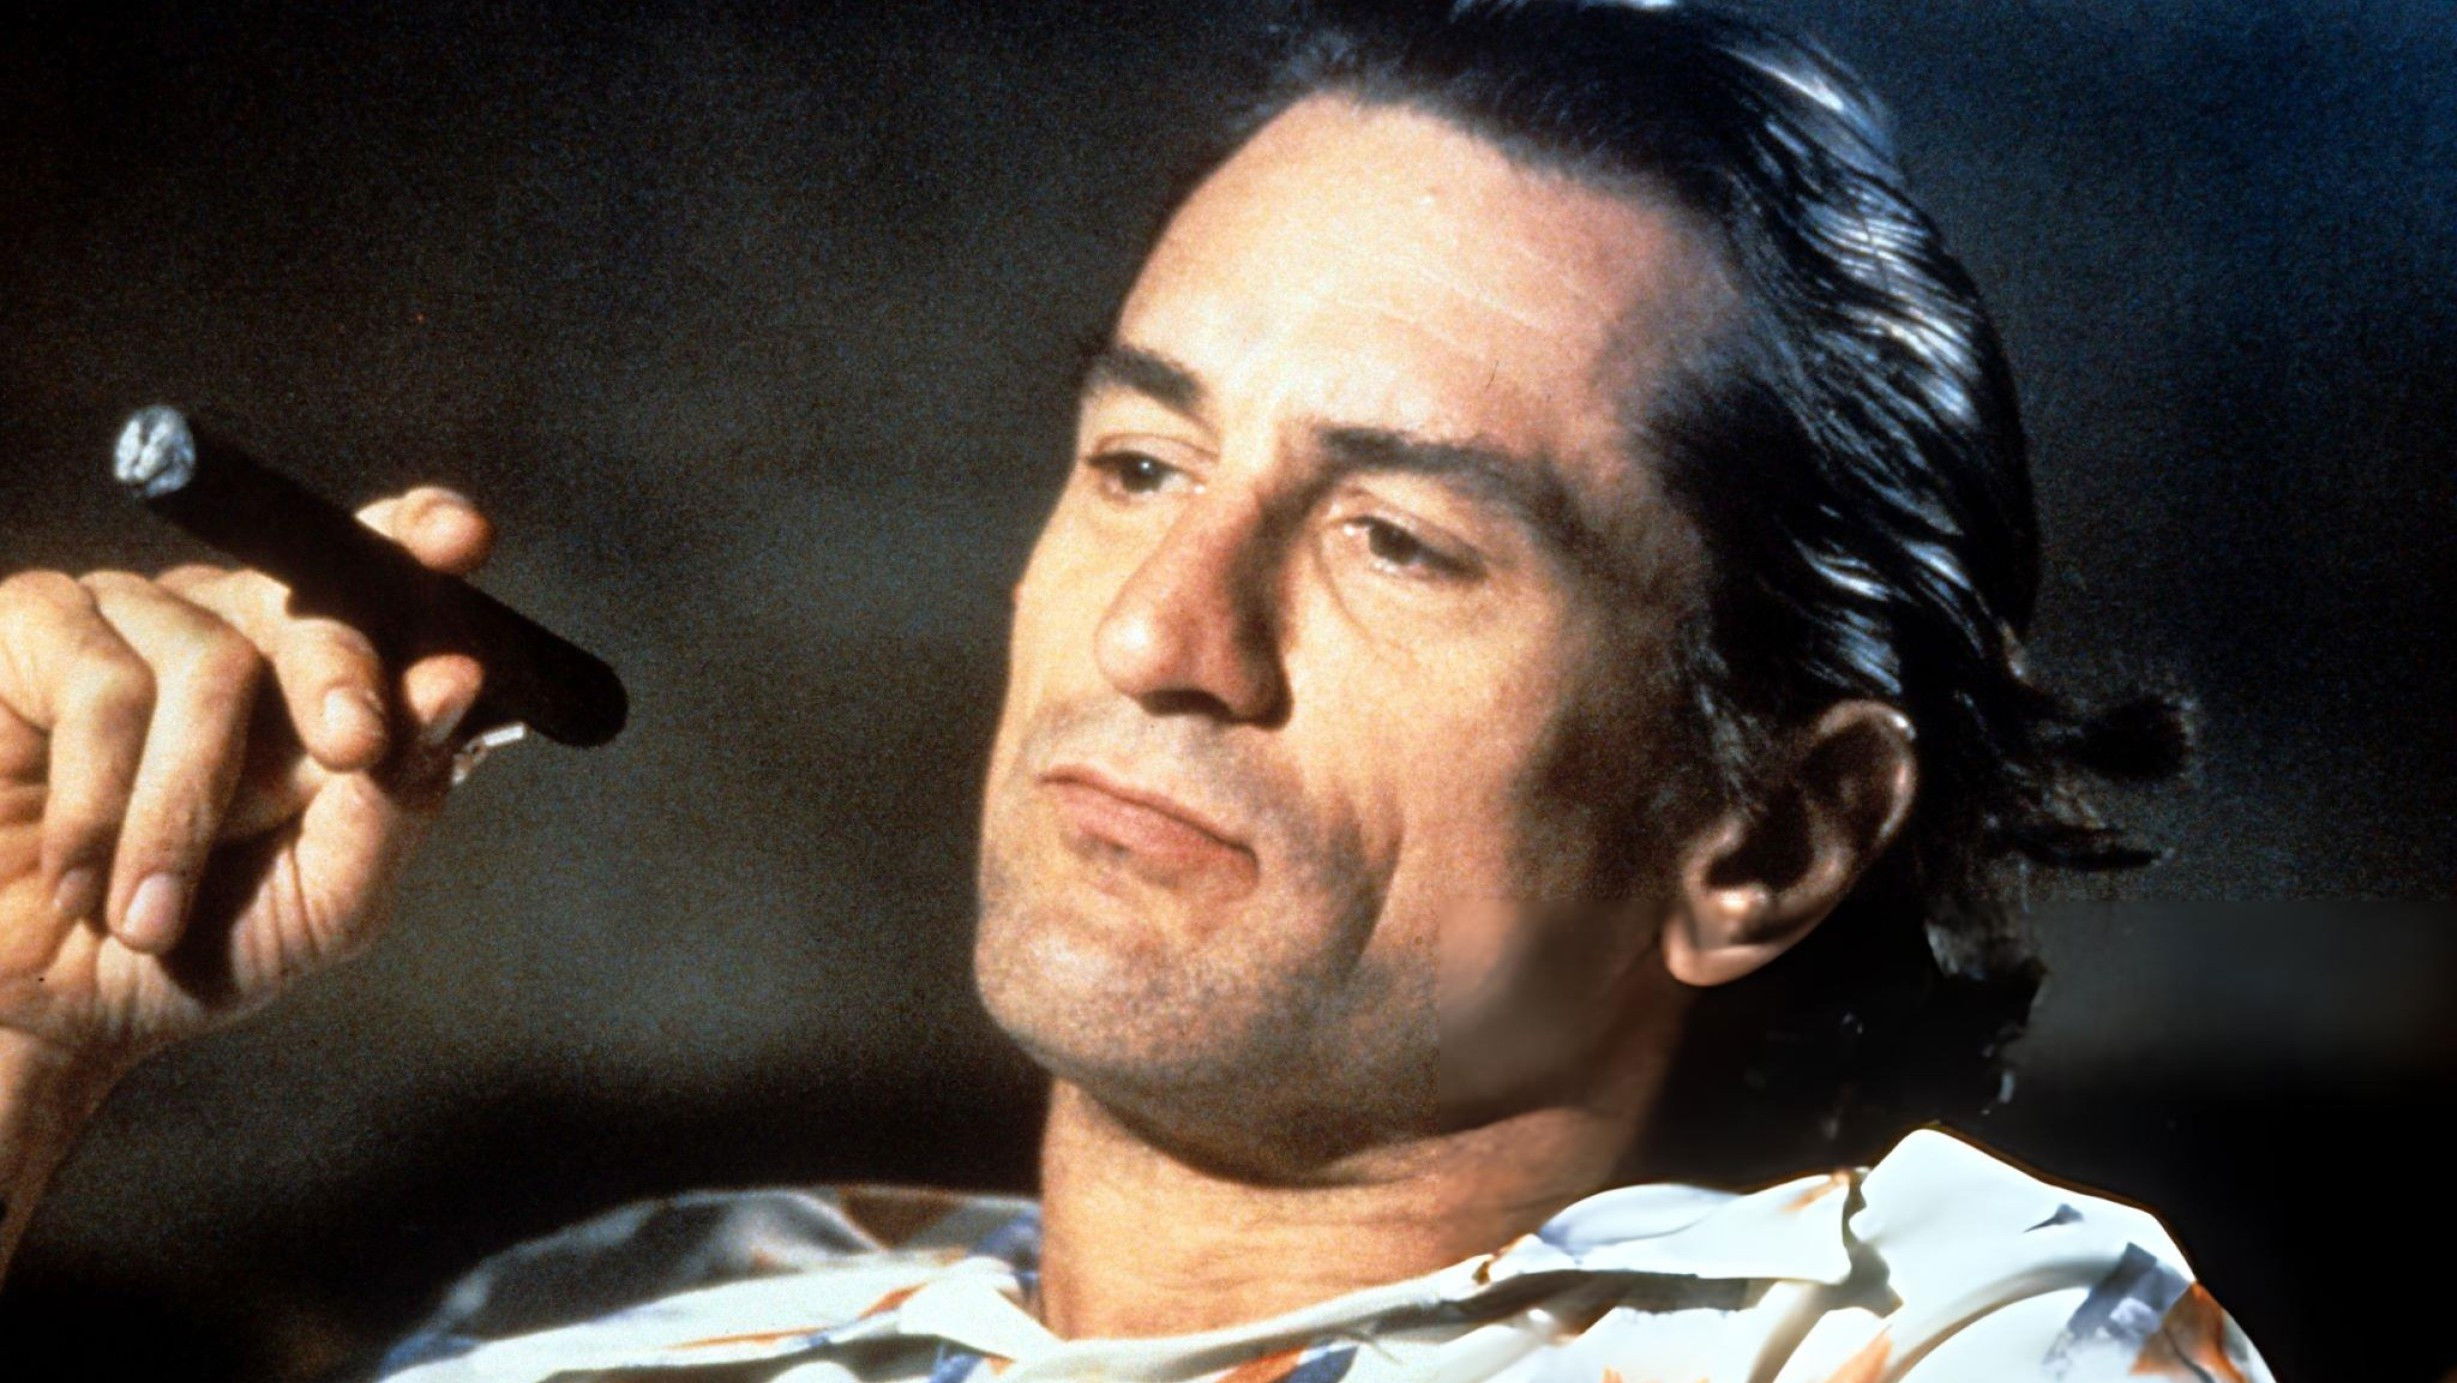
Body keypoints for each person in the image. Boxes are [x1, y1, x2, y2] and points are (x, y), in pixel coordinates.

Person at [0, 1, 2272, 1379]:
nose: (1154, 636)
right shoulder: (604, 1317)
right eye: (1137, 464)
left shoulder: (1942, 1330)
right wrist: (15, 1050)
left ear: (1759, 832)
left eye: (1395, 540)